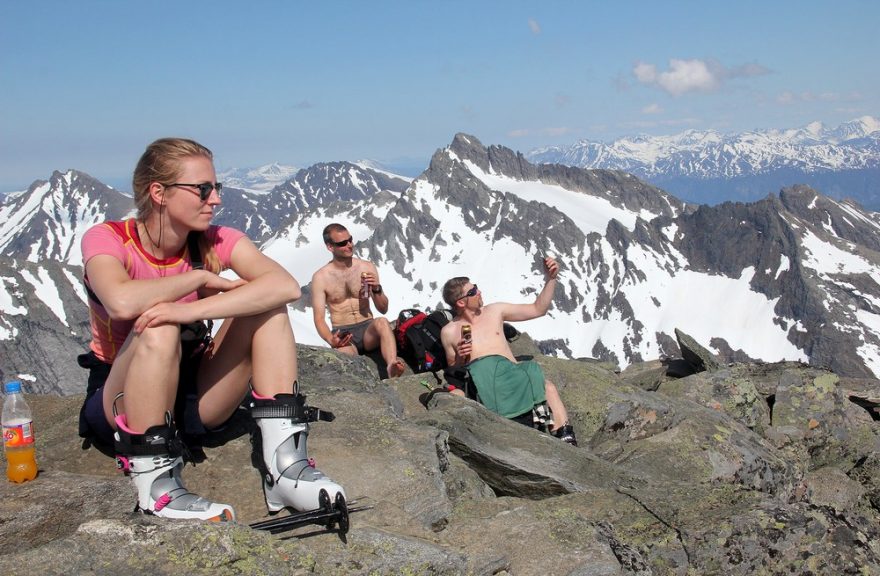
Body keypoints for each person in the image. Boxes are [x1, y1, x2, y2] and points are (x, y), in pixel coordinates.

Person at [77, 137, 345, 521]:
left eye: (215, 188)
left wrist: (195, 308)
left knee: (267, 309)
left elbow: (283, 286)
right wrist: (196, 279)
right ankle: (156, 489)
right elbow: (120, 301)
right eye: (203, 189)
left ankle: (285, 467)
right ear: (159, 193)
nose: (215, 199)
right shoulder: (109, 238)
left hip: (195, 391)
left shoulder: (215, 240)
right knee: (159, 325)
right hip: (121, 400)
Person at [439, 258, 577, 445]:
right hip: (482, 381)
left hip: (512, 374)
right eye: (473, 291)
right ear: (461, 303)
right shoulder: (449, 332)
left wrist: (551, 278)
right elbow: (453, 369)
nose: (479, 292)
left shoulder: (495, 311)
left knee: (548, 387)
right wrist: (462, 357)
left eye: (476, 287)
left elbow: (538, 309)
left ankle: (566, 437)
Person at [310, 223, 406, 378]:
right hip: (344, 334)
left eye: (350, 240)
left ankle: (391, 366)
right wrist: (330, 339)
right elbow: (319, 318)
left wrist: (376, 289)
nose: (349, 245)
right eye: (342, 243)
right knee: (347, 363)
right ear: (330, 247)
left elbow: (383, 308)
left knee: (382, 321)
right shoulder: (321, 278)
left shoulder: (366, 267)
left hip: (368, 328)